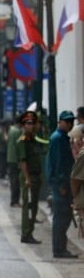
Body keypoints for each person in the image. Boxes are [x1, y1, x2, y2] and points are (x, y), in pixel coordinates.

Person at [46, 110, 78, 259]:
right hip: (61, 184)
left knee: (63, 217)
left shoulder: (62, 137)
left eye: (72, 121)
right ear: (60, 122)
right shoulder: (58, 138)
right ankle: (59, 249)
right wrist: (62, 185)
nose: (70, 124)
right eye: (67, 121)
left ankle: (60, 248)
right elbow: (59, 164)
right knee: (61, 217)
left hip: (62, 183)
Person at [11, 111, 46, 243]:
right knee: (28, 206)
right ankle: (26, 233)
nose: (31, 126)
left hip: (36, 176)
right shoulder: (23, 141)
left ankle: (29, 232)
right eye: (28, 123)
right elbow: (23, 161)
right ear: (23, 125)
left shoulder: (33, 139)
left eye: (33, 123)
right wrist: (27, 179)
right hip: (29, 177)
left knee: (34, 205)